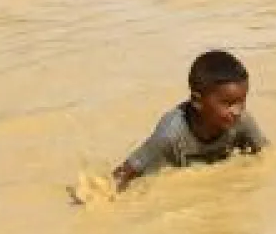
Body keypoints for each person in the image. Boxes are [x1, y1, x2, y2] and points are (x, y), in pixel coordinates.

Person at [110, 50, 267, 192]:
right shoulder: (170, 135)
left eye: (242, 101)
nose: (237, 111)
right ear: (197, 101)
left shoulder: (241, 121)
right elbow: (124, 174)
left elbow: (266, 156)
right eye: (228, 103)